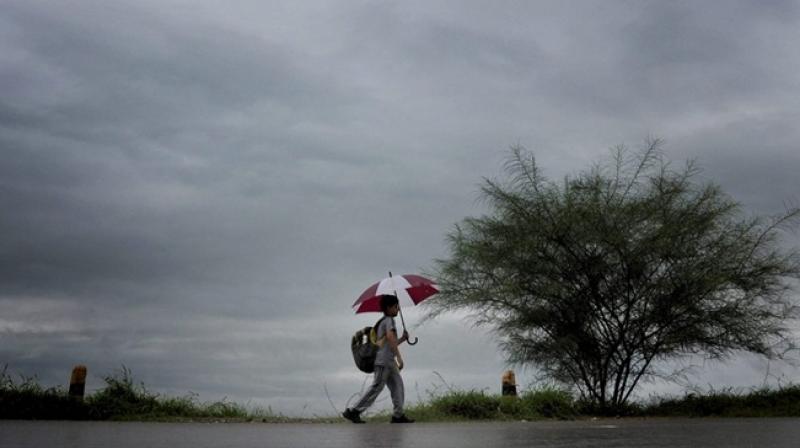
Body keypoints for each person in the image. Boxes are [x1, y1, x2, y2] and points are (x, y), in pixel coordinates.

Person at [343, 294, 415, 423]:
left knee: (398, 385)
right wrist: (399, 358)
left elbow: (389, 343)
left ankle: (398, 415)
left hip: (389, 361)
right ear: (388, 308)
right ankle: (354, 411)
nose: (398, 309)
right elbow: (391, 339)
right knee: (377, 387)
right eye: (395, 306)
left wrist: (403, 339)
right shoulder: (389, 321)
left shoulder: (384, 322)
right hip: (383, 361)